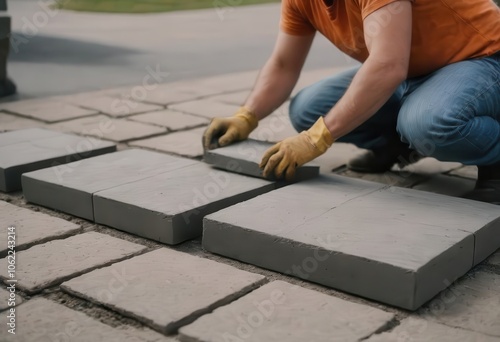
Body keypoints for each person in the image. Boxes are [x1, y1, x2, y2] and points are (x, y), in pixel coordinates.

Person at [203, 0, 500, 204]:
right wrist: (246, 115)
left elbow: (386, 65)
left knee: (431, 124)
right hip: (409, 67)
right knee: (308, 108)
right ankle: (397, 146)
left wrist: (318, 139)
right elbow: (283, 64)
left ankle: (494, 159)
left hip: (481, 58)